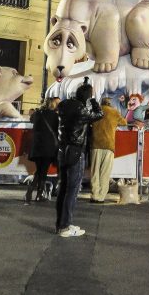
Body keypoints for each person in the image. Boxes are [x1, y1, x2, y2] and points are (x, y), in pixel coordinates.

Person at [55, 83, 103, 237]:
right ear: (88, 95)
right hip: (76, 151)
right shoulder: (81, 110)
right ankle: (65, 226)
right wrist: (94, 102)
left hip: (63, 150)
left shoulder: (64, 105)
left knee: (63, 188)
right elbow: (99, 115)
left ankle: (61, 224)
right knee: (73, 189)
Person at [89, 97, 126, 203]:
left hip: (95, 144)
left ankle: (94, 195)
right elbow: (124, 122)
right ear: (110, 104)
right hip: (109, 145)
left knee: (94, 172)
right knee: (105, 173)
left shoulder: (96, 111)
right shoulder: (114, 112)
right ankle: (101, 197)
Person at [25, 96, 59, 204]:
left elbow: (31, 120)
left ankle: (32, 192)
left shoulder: (37, 113)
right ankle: (35, 194)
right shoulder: (54, 116)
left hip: (37, 147)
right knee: (42, 171)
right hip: (48, 147)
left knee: (40, 170)